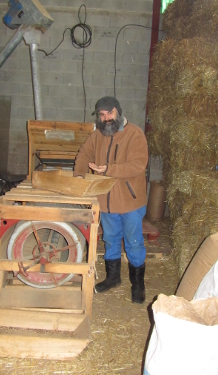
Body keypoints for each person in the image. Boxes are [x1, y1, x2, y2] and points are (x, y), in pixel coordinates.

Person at [73, 96, 149, 304]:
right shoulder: (98, 135)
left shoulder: (134, 134)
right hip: (106, 201)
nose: (106, 118)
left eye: (110, 113)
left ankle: (138, 286)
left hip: (130, 200)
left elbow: (138, 165)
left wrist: (109, 170)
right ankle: (113, 278)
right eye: (102, 115)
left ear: (119, 112)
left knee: (133, 242)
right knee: (110, 239)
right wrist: (79, 176)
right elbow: (83, 154)